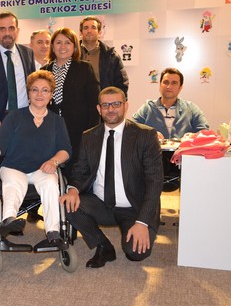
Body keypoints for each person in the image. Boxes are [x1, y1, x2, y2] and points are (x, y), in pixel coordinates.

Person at [60, 87, 163, 268]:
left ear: (126, 106)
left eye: (116, 104)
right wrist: (73, 190)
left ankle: (134, 228)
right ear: (99, 109)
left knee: (136, 253)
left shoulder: (145, 135)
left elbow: (155, 183)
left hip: (134, 207)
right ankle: (103, 246)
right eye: (106, 105)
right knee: (67, 203)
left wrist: (142, 222)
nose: (111, 109)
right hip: (101, 203)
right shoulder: (89, 136)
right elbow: (79, 171)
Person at [0, 70, 71, 248]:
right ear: (29, 93)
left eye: (45, 90)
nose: (40, 94)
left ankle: (53, 232)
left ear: (51, 95)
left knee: (51, 184)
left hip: (42, 168)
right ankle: (8, 220)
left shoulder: (57, 121)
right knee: (14, 184)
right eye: (35, 89)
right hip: (14, 166)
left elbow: (65, 150)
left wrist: (54, 161)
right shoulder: (14, 117)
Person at [42, 27, 100, 170]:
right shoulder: (44, 71)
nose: (63, 46)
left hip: (78, 131)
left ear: (74, 46)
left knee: (76, 170)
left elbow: (94, 104)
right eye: (58, 42)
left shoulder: (84, 68)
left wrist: (91, 134)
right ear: (52, 46)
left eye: (67, 42)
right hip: (51, 131)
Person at [133, 67, 208, 139]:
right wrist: (148, 134)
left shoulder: (191, 108)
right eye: (166, 82)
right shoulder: (148, 107)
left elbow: (204, 132)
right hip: (153, 148)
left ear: (180, 87)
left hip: (182, 148)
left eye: (174, 83)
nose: (169, 86)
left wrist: (193, 136)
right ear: (160, 85)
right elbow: (132, 129)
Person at [79, 16, 129, 95]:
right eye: (86, 28)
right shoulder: (72, 55)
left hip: (104, 102)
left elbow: (122, 83)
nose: (89, 31)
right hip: (78, 102)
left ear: (99, 33)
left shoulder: (112, 56)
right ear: (80, 33)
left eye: (93, 28)